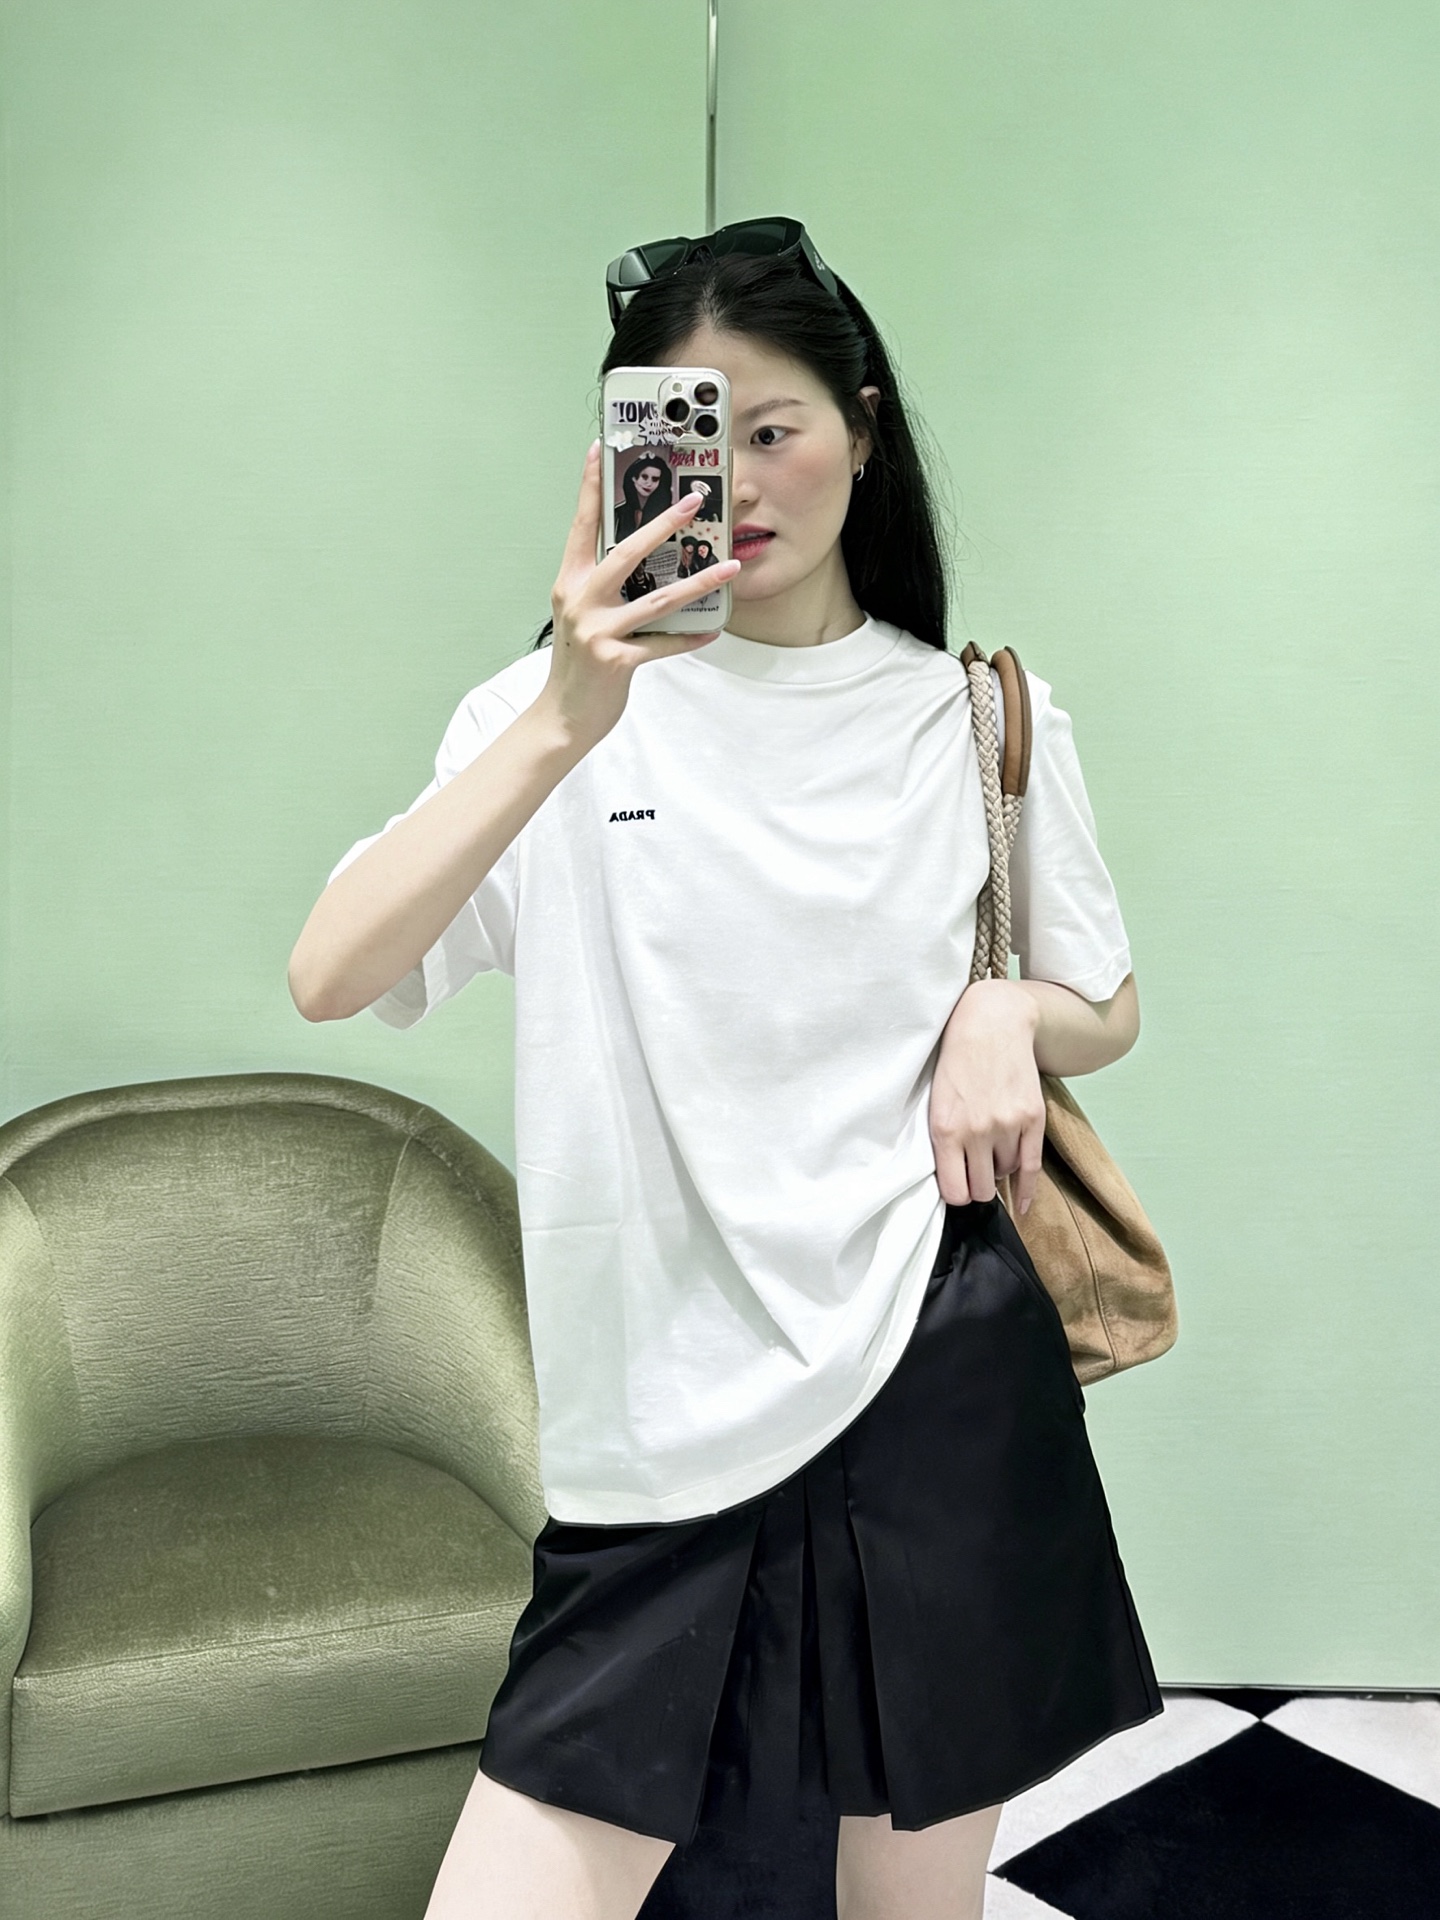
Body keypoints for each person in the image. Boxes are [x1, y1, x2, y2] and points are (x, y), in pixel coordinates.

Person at [288, 227, 1162, 1920]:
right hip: (657, 1422)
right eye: (693, 438)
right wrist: (565, 716)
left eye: (777, 429)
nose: (741, 484)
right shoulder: (545, 720)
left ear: (864, 425)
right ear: (626, 462)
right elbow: (335, 974)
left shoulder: (976, 718)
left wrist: (1002, 1018)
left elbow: (1104, 1003)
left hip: (938, 1386)